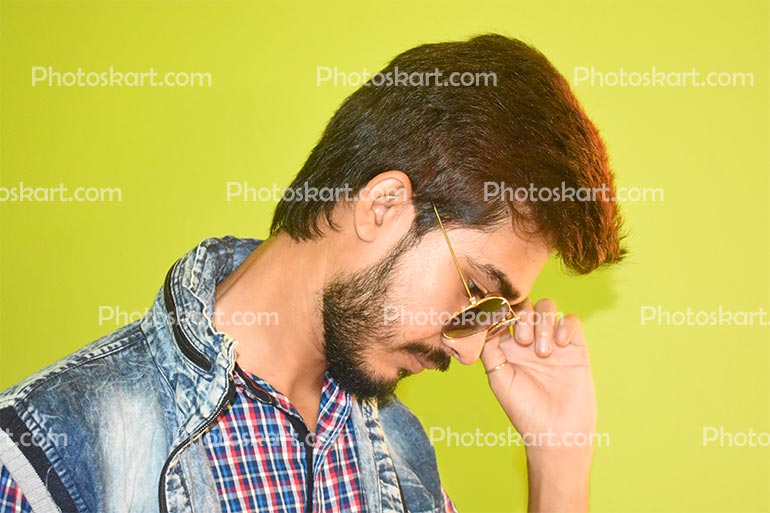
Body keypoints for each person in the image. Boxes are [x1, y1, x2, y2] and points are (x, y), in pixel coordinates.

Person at [0, 33, 624, 513]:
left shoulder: (400, 449)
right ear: (382, 205)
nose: (466, 353)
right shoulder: (51, 451)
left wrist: (559, 458)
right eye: (477, 293)